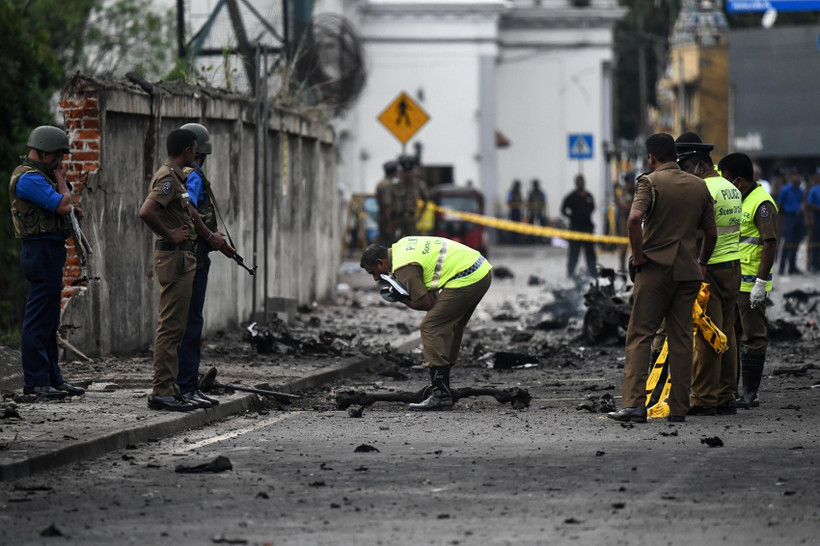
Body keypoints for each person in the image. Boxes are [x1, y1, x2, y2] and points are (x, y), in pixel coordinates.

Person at [608, 133, 716, 423]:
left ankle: (634, 405)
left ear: (651, 158)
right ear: (676, 157)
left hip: (655, 270)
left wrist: (638, 256)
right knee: (681, 338)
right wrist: (702, 263)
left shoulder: (650, 182)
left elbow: (634, 219)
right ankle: (679, 407)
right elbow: (711, 233)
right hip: (688, 271)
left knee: (640, 335)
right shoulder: (699, 185)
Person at [139, 128, 226, 412]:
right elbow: (146, 211)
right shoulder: (168, 178)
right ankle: (162, 391)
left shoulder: (177, 178)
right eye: (194, 150)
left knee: (177, 328)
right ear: (188, 151)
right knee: (171, 328)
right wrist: (169, 234)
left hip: (182, 258)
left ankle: (173, 389)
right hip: (174, 258)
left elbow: (188, 213)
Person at [360, 236, 492, 411]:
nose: (376, 278)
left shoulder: (402, 267)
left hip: (468, 277)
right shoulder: (402, 245)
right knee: (451, 325)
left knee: (430, 327)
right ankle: (443, 387)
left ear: (380, 262)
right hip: (480, 270)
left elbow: (426, 303)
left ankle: (440, 395)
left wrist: (401, 298)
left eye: (373, 272)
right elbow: (434, 296)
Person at [9, 126, 86, 399]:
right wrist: (62, 180)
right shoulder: (28, 178)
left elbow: (63, 208)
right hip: (38, 252)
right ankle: (36, 381)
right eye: (56, 156)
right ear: (42, 153)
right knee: (38, 318)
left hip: (51, 251)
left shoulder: (42, 176)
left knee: (50, 318)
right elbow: (62, 205)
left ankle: (53, 379)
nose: (59, 162)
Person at [676, 132, 742, 416]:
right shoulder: (730, 188)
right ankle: (726, 395)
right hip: (733, 267)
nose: (684, 174)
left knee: (707, 334)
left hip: (710, 269)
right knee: (728, 333)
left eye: (685, 168)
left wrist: (697, 263)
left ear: (700, 166)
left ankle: (704, 398)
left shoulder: (703, 189)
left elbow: (699, 232)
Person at [176, 122, 234, 409]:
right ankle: (186, 386)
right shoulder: (194, 175)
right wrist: (210, 237)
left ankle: (183, 384)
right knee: (191, 323)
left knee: (183, 322)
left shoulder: (177, 174)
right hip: (194, 256)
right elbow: (189, 210)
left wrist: (213, 236)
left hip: (186, 254)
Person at [718, 153, 778, 409]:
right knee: (731, 336)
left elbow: (770, 243)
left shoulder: (761, 203)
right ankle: (730, 391)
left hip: (751, 285)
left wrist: (761, 283)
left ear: (739, 180)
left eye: (727, 179)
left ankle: (750, 393)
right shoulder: (738, 199)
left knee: (753, 337)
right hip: (734, 281)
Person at [560, 174, 597, 277]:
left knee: (590, 253)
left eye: (582, 181)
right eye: (578, 181)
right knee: (573, 253)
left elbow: (593, 207)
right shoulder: (571, 197)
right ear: (576, 183)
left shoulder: (589, 196)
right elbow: (562, 209)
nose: (580, 183)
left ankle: (593, 273)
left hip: (587, 228)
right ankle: (570, 273)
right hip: (575, 228)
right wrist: (571, 217)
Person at [390, 156, 429, 240]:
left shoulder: (418, 185)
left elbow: (426, 200)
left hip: (412, 218)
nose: (407, 174)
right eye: (405, 172)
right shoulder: (396, 185)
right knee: (397, 240)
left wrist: (420, 215)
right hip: (398, 219)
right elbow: (391, 202)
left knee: (413, 240)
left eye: (409, 171)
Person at [776, 167, 805, 275]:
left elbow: (801, 202)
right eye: (794, 175)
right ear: (791, 177)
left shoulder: (800, 190)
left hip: (798, 216)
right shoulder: (785, 189)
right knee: (787, 242)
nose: (796, 177)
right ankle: (782, 267)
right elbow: (780, 204)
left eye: (798, 175)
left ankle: (792, 266)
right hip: (789, 217)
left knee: (796, 242)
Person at [614, 173, 635, 272]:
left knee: (636, 245)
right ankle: (622, 267)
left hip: (635, 220)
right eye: (629, 183)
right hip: (624, 220)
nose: (631, 185)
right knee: (623, 246)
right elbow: (621, 204)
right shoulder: (622, 192)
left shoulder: (636, 192)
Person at [375, 160, 397, 245]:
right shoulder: (386, 185)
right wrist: (389, 224)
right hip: (386, 219)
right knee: (387, 244)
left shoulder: (383, 183)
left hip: (385, 218)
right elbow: (387, 206)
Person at [805, 169, 820, 272]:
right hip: (816, 216)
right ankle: (814, 264)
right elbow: (809, 204)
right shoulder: (813, 189)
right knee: (815, 241)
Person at [506, 180, 524, 244]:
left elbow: (521, 202)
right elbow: (509, 202)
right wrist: (516, 204)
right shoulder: (511, 193)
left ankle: (518, 240)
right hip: (513, 211)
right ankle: (513, 240)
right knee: (512, 226)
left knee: (518, 226)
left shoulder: (519, 193)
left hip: (518, 211)